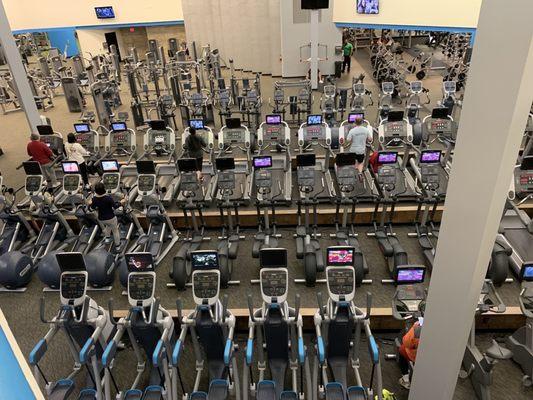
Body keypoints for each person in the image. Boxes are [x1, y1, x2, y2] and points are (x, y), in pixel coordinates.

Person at [88, 182, 124, 253]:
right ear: (104, 189)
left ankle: (107, 238)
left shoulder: (94, 199)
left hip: (101, 219)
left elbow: (92, 208)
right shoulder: (108, 198)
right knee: (115, 231)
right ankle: (118, 246)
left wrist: (90, 203)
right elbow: (115, 206)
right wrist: (121, 202)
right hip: (111, 218)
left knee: (108, 226)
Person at [398, 318, 423, 390]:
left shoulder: (417, 327)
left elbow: (406, 342)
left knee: (402, 350)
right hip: (435, 357)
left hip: (417, 356)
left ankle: (405, 380)